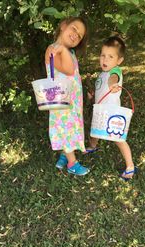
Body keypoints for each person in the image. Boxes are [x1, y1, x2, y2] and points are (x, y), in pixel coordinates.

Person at [86, 36, 137, 180]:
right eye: (102, 55)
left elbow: (113, 79)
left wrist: (113, 84)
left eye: (110, 56)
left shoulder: (116, 71)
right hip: (100, 110)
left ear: (119, 61)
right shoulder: (101, 74)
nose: (105, 60)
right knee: (94, 130)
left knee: (118, 139)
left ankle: (130, 166)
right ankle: (93, 146)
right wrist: (93, 94)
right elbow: (102, 88)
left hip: (112, 113)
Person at [45, 17, 90, 176]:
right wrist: (62, 50)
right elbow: (68, 70)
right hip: (60, 100)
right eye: (74, 29)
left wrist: (65, 51)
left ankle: (65, 155)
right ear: (63, 26)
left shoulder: (69, 51)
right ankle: (72, 163)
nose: (75, 35)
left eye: (79, 36)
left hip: (72, 100)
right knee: (65, 128)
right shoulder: (52, 49)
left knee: (71, 127)